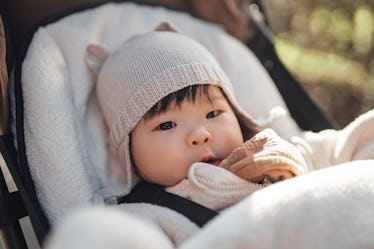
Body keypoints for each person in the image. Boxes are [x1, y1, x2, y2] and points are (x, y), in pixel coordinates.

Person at [82, 21, 307, 245]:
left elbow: (329, 149)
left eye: (213, 114)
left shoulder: (268, 153)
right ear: (129, 152)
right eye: (167, 125)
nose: (200, 134)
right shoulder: (145, 216)